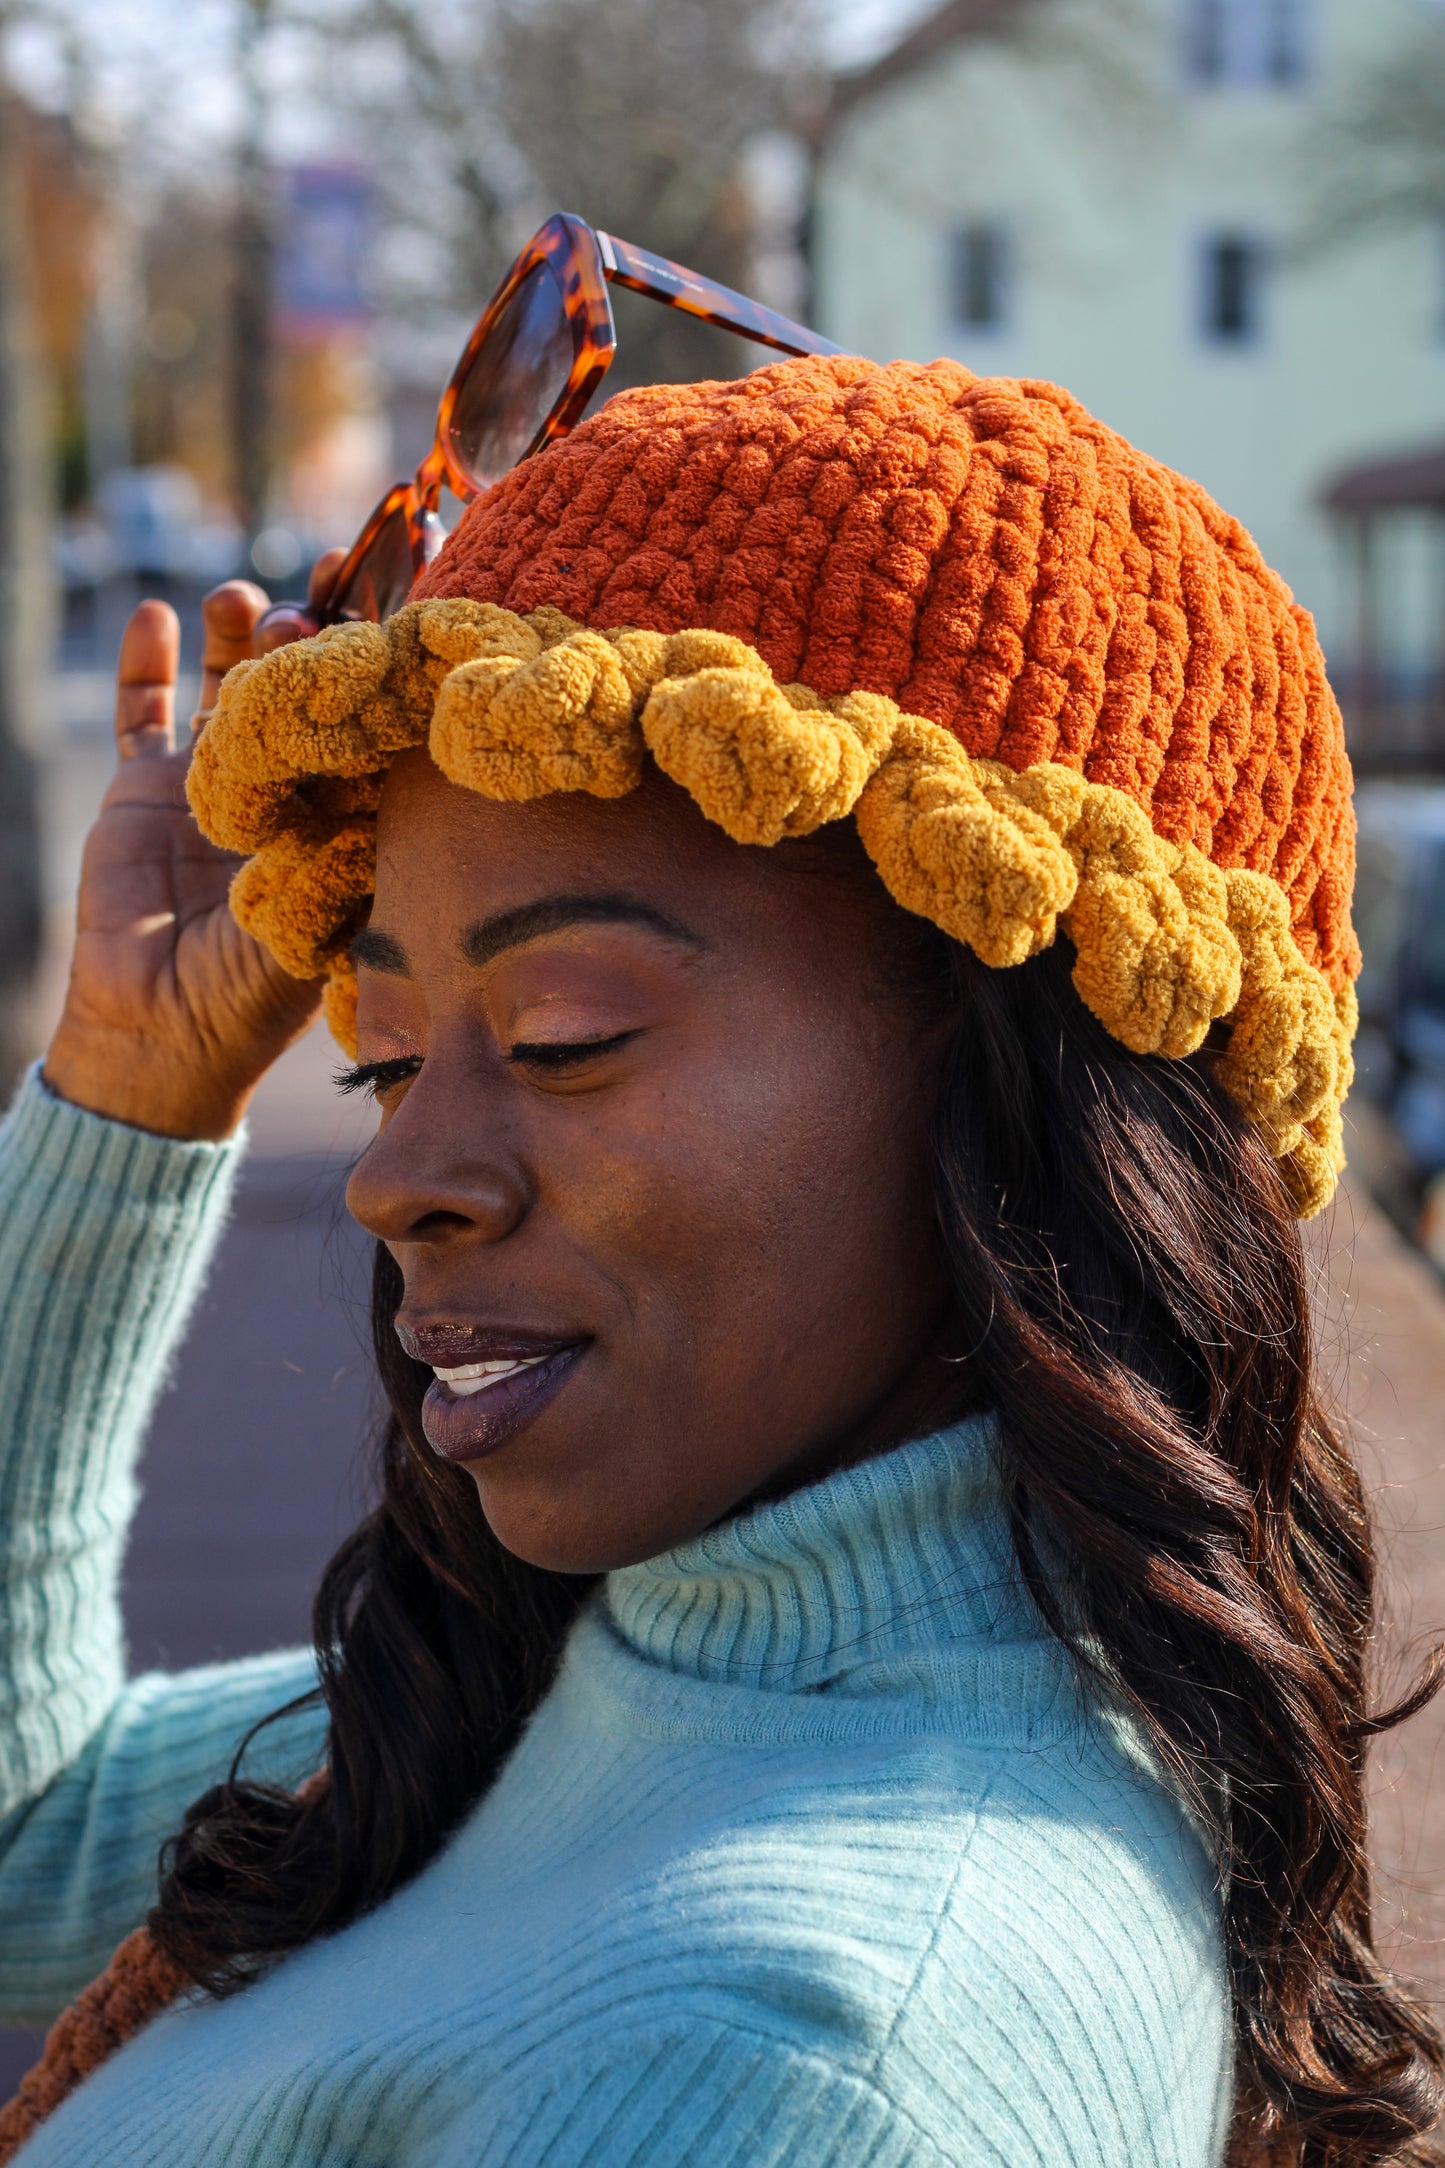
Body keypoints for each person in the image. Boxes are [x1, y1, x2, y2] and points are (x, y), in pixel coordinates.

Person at [0, 354, 1440, 2168]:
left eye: (566, 1037)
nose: (398, 1179)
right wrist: (128, 1092)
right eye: (385, 1057)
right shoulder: (626, 1661)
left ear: (1026, 1093)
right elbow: (29, 1834)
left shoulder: (790, 2065)